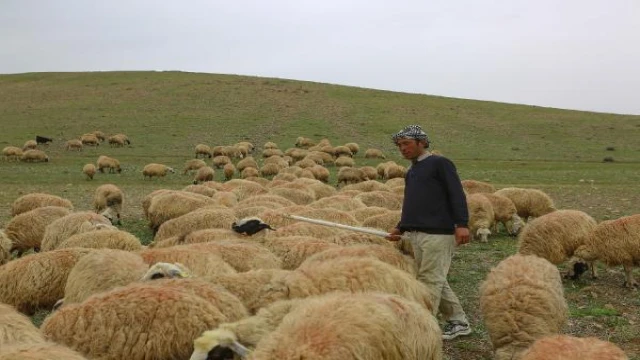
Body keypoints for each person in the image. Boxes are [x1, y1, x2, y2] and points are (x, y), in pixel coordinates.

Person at [386, 124, 472, 340]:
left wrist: (462, 223)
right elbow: (412, 204)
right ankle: (458, 322)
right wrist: (401, 226)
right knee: (436, 279)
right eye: (399, 145)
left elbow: (456, 194)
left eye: (406, 144)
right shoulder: (412, 171)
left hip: (438, 234)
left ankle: (422, 330)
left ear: (421, 142)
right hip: (416, 234)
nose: (402, 149)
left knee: (429, 280)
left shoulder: (439, 163)